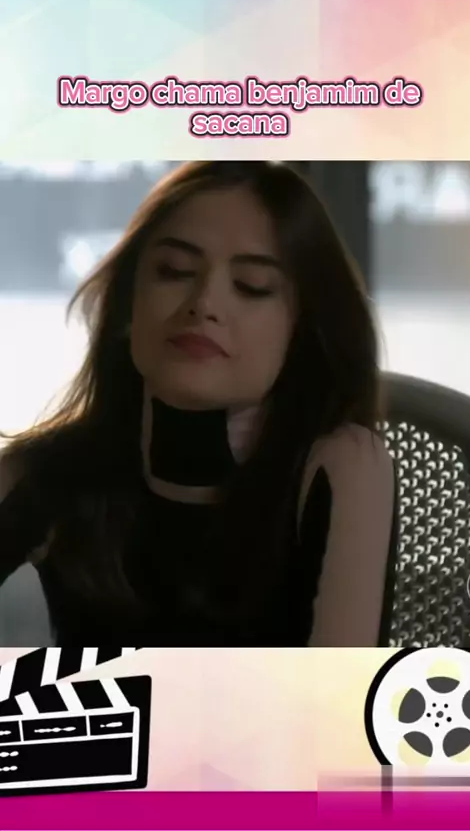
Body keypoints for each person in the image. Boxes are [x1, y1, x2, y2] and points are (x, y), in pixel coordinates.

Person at [0, 160, 397, 647]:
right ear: (127, 308)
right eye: (175, 271)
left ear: (303, 332)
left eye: (251, 286)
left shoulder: (341, 466)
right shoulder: (44, 472)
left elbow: (341, 687)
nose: (204, 302)